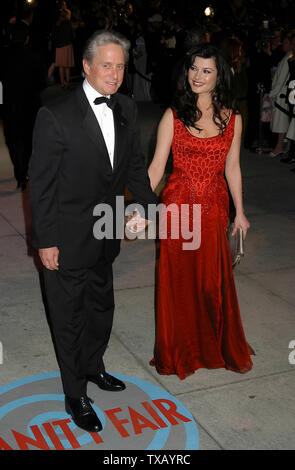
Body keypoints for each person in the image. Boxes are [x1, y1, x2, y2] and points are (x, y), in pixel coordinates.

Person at [29, 30, 157, 433]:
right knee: (68, 317)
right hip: (66, 238)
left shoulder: (126, 107)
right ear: (85, 66)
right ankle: (75, 392)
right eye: (106, 65)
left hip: (107, 231)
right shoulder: (57, 114)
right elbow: (42, 183)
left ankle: (94, 365)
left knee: (101, 309)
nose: (115, 74)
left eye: (120, 66)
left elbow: (134, 163)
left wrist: (150, 205)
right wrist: (45, 241)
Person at [148, 44, 254, 379]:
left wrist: (240, 212)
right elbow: (156, 169)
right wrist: (136, 206)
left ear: (219, 76)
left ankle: (212, 344)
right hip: (178, 210)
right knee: (179, 283)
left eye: (206, 71)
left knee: (210, 283)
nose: (197, 76)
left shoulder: (232, 118)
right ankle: (182, 350)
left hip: (213, 211)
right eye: (193, 68)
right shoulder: (173, 115)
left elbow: (232, 167)